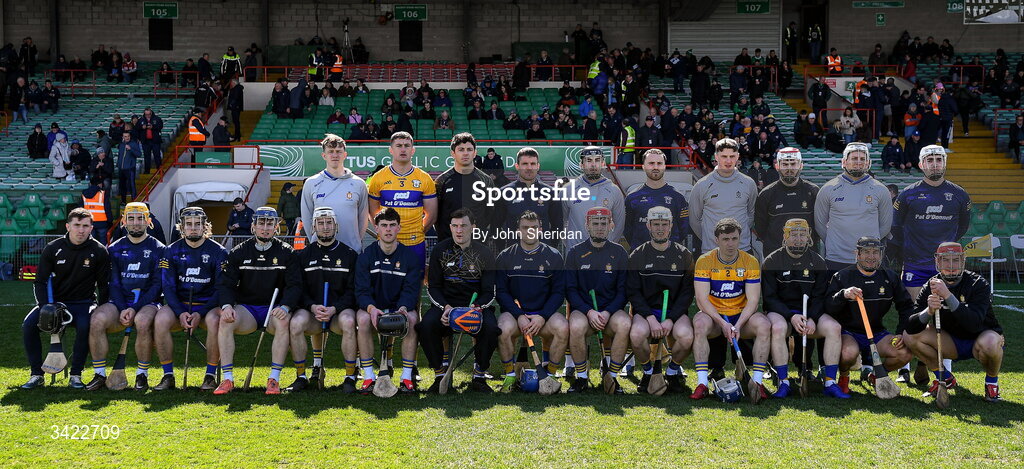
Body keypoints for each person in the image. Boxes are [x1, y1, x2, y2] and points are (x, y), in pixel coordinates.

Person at [214, 207, 302, 395]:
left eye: (269, 223)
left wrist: (286, 306)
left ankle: (274, 379)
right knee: (225, 320)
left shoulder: (288, 252)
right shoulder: (239, 252)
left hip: (274, 310)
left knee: (284, 321)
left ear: (276, 226)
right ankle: (227, 378)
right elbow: (226, 283)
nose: (265, 228)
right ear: (253, 226)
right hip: (247, 310)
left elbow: (295, 285)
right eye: (261, 223)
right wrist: (227, 305)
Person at [20, 208, 110, 389]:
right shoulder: (53, 248)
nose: (81, 230)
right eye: (77, 225)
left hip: (83, 303)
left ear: (91, 227)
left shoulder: (99, 251)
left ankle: (76, 375)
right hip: (55, 303)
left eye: (85, 226)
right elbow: (40, 282)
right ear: (68, 226)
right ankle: (36, 374)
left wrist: (101, 309)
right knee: (28, 325)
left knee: (86, 326)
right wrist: (46, 307)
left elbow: (103, 286)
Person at [903, 243, 1005, 403]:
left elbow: (973, 324)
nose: (951, 266)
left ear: (963, 261)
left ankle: (991, 383)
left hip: (981, 339)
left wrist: (948, 296)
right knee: (909, 337)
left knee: (991, 342)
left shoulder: (978, 284)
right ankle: (945, 378)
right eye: (945, 260)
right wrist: (928, 311)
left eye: (955, 260)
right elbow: (910, 326)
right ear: (937, 262)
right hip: (950, 341)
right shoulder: (931, 285)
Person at [761, 219, 850, 399]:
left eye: (803, 235)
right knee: (777, 328)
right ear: (785, 237)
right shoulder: (772, 261)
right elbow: (770, 298)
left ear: (809, 237)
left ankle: (830, 382)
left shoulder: (817, 261)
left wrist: (812, 317)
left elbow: (820, 297)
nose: (798, 239)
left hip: (810, 313)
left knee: (834, 328)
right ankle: (784, 381)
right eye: (794, 235)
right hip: (782, 314)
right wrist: (791, 316)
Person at [84, 204, 165, 391]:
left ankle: (141, 374)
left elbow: (156, 285)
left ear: (148, 221)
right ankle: (99, 374)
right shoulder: (114, 249)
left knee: (143, 322)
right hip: (119, 302)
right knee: (96, 320)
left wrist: (134, 309)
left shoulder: (159, 249)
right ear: (123, 222)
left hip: (148, 303)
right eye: (131, 219)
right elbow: (114, 283)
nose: (136, 223)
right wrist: (122, 306)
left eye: (140, 219)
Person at [418, 208, 500, 393]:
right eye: (455, 226)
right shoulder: (440, 249)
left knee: (491, 328)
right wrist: (446, 308)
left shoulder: (484, 252)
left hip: (475, 307)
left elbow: (490, 291)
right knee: (426, 326)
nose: (459, 230)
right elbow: (433, 287)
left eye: (463, 225)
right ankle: (440, 375)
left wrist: (476, 307)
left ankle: (479, 375)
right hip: (446, 306)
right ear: (450, 227)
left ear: (473, 227)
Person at [690, 218, 771, 403]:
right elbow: (702, 300)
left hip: (741, 315)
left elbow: (753, 300)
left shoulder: (750, 261)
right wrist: (723, 323)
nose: (730, 243)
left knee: (763, 325)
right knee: (700, 323)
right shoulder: (704, 261)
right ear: (716, 239)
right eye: (726, 239)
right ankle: (702, 384)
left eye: (734, 238)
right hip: (715, 317)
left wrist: (738, 324)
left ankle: (757, 382)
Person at [826, 237, 914, 394]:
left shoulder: (890, 277)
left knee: (904, 353)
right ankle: (844, 377)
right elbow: (828, 307)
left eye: (875, 252)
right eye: (866, 252)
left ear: (881, 255)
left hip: (877, 333)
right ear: (857, 254)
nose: (871, 256)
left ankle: (877, 375)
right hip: (849, 333)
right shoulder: (842, 276)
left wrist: (901, 332)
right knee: (848, 354)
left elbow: (906, 306)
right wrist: (843, 295)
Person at [153, 207, 227, 391]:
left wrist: (199, 313)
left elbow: (221, 288)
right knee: (160, 319)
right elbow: (167, 286)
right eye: (188, 225)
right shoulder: (170, 251)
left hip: (208, 305)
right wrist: (180, 312)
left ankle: (210, 376)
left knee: (215, 321)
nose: (193, 228)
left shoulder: (219, 252)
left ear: (205, 227)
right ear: (182, 227)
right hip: (180, 304)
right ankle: (168, 375)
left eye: (197, 224)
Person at [287, 207, 360, 392]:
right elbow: (298, 289)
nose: (325, 227)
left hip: (338, 312)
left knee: (350, 322)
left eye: (329, 223)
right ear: (313, 227)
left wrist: (335, 308)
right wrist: (312, 306)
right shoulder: (302, 255)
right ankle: (301, 376)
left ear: (336, 226)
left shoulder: (350, 255)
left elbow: (353, 291)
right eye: (321, 223)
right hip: (313, 312)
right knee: (295, 324)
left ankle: (350, 376)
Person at [626, 206, 696, 394]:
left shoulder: (684, 255)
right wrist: (650, 318)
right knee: (637, 335)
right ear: (648, 225)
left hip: (673, 312)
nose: (660, 228)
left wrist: (670, 319)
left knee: (687, 336)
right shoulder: (637, 255)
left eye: (664, 224)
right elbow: (633, 291)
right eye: (656, 224)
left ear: (671, 225)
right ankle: (649, 372)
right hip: (647, 312)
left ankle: (672, 372)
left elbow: (687, 293)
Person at [496, 211, 567, 392]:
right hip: (516, 315)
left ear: (540, 229)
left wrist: (542, 316)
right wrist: (519, 316)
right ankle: (510, 377)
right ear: (518, 230)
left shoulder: (553, 255)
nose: (530, 231)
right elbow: (502, 293)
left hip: (543, 315)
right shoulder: (505, 256)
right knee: (502, 328)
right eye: (525, 227)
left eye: (534, 228)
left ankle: (549, 376)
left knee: (562, 327)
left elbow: (559, 292)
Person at [354, 208, 423, 394]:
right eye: (384, 225)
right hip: (374, 307)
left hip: (399, 307)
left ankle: (407, 377)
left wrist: (403, 308)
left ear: (399, 228)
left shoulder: (410, 257)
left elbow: (411, 290)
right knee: (362, 319)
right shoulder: (366, 256)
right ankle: (368, 376)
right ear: (376, 228)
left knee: (413, 319)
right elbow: (361, 290)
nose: (388, 229)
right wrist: (371, 308)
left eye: (392, 225)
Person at [563, 207, 631, 393]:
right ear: (587, 226)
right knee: (575, 326)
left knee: (624, 324)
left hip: (610, 310)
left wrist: (608, 312)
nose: (600, 227)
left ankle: (612, 377)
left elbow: (623, 291)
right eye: (595, 223)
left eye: (604, 223)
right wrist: (589, 312)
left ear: (611, 226)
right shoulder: (575, 253)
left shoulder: (619, 253)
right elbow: (570, 289)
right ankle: (582, 378)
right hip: (585, 310)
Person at [814, 142, 893, 272]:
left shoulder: (881, 190)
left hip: (869, 259)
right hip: (836, 258)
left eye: (862, 159)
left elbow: (884, 226)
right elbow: (820, 225)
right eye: (854, 158)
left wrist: (869, 248)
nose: (858, 162)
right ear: (844, 162)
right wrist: (835, 244)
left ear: (868, 163)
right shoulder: (828, 188)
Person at [366, 132, 437, 265]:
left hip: (415, 242)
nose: (403, 149)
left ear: (413, 150)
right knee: (385, 284)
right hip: (386, 244)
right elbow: (373, 213)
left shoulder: (424, 178)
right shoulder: (378, 178)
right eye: (399, 146)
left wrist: (417, 231)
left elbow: (431, 215)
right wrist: (384, 232)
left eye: (407, 145)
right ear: (391, 150)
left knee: (415, 284)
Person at [299, 134, 369, 253]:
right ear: (324, 155)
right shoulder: (311, 183)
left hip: (352, 251)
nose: (335, 155)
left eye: (338, 151)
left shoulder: (359, 183)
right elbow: (307, 219)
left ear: (345, 155)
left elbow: (363, 219)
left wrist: (355, 242)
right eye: (331, 151)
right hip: (320, 252)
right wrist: (317, 242)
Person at [689, 138, 758, 255]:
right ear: (716, 157)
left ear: (738, 157)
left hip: (742, 251)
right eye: (724, 156)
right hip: (711, 252)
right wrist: (710, 239)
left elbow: (751, 215)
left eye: (732, 156)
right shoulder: (702, 185)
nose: (728, 160)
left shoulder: (749, 183)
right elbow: (694, 220)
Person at [434, 133, 499, 243]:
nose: (465, 153)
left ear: (475, 153)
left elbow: (491, 211)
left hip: (477, 243)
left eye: (469, 149)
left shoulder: (486, 180)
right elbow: (435, 214)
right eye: (461, 149)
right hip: (447, 242)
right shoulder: (442, 181)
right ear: (453, 153)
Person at [754, 147, 818, 257]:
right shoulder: (766, 194)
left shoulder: (813, 192)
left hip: (808, 255)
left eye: (793, 164)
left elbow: (819, 226)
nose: (789, 168)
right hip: (775, 255)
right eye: (784, 164)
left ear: (801, 165)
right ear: (777, 166)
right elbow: (760, 228)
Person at [498, 148, 563, 249]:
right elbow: (496, 226)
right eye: (525, 164)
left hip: (543, 256)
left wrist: (550, 248)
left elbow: (558, 226)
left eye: (533, 164)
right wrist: (504, 250)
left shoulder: (551, 192)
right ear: (517, 166)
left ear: (538, 166)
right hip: (514, 256)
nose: (529, 168)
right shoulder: (504, 192)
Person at [623, 149, 688, 249]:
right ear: (643, 167)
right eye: (651, 163)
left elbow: (683, 229)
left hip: (671, 256)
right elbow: (627, 229)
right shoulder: (632, 197)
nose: (655, 167)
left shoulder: (677, 197)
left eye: (659, 163)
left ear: (665, 166)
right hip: (641, 257)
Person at [563, 146, 625, 248]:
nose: (593, 165)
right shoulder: (568, 190)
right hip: (576, 257)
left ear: (603, 163)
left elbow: (619, 226)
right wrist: (572, 248)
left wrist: (607, 248)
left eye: (597, 160)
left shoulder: (614, 191)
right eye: (588, 160)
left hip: (605, 256)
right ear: (581, 165)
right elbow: (561, 223)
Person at [81, 178, 112, 244]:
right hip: (102, 223)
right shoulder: (103, 194)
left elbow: (80, 209)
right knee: (103, 243)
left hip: (89, 222)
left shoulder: (84, 194)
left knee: (91, 243)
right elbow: (107, 209)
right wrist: (110, 221)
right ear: (99, 184)